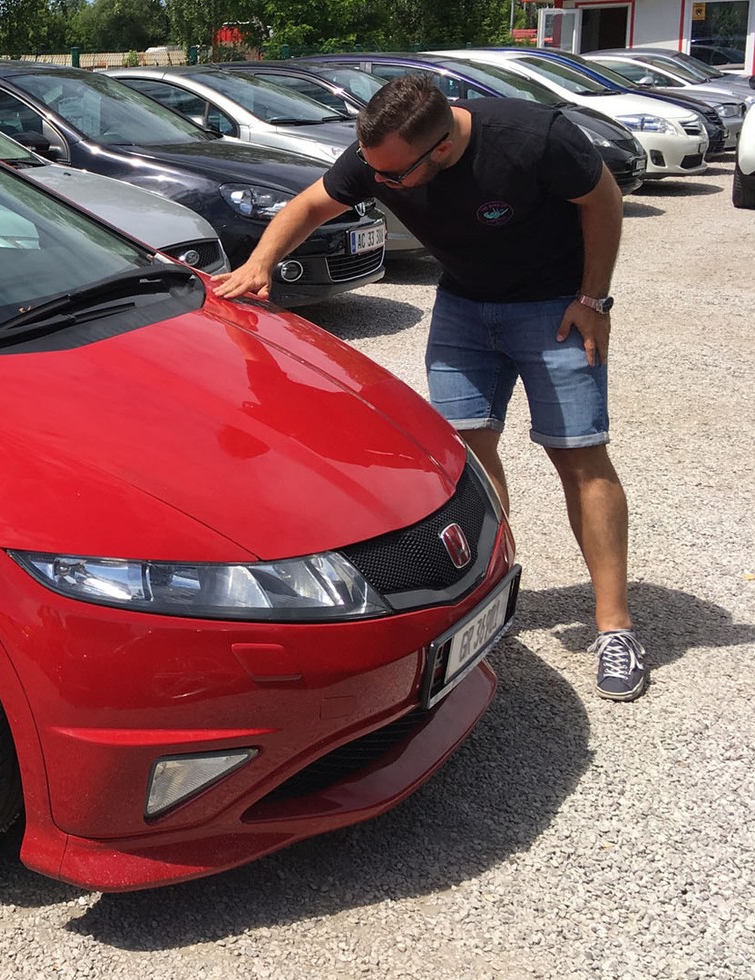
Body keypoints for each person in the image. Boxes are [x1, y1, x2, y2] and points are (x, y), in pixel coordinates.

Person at [211, 74, 647, 701]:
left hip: (553, 307)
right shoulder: (382, 155)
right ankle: (488, 594)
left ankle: (615, 629)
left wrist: (593, 298)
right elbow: (309, 206)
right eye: (372, 170)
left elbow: (601, 199)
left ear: (441, 147)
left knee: (578, 455)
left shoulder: (533, 137)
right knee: (465, 456)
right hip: (463, 307)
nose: (379, 184)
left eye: (392, 176)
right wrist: (260, 263)